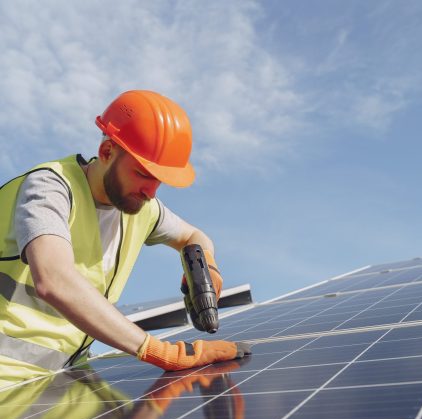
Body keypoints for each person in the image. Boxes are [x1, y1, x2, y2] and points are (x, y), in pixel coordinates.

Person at [0, 90, 250, 388]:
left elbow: (194, 236)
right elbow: (54, 279)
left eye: (159, 180)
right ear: (106, 152)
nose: (151, 192)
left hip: (60, 380)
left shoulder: (142, 207)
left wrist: (205, 265)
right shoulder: (49, 187)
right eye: (143, 173)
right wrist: (162, 352)